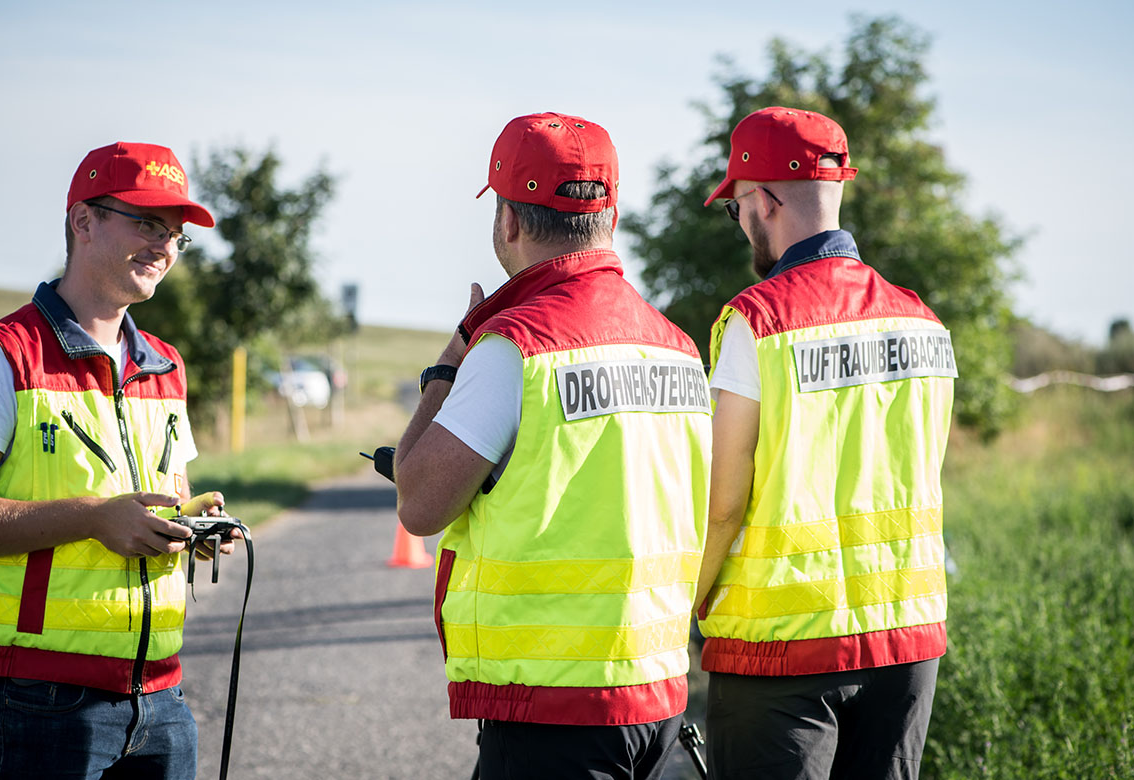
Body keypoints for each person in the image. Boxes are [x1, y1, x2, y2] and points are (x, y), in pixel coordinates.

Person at [393, 112, 714, 780]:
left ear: (508, 221)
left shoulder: (515, 345)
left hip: (551, 709)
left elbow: (420, 504)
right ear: (612, 215)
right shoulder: (677, 346)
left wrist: (446, 371)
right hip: (657, 691)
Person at [696, 107, 959, 779]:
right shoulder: (925, 322)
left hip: (781, 647)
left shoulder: (758, 322)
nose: (742, 224)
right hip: (907, 638)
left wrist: (682, 609)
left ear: (765, 199)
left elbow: (723, 503)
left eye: (738, 208)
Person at [0, 142, 238, 780]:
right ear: (83, 222)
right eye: (146, 223)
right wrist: (92, 516)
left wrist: (192, 526)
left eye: (175, 234)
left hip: (163, 694)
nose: (164, 246)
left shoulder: (165, 365)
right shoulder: (0, 356)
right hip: (42, 698)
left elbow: (165, 494)